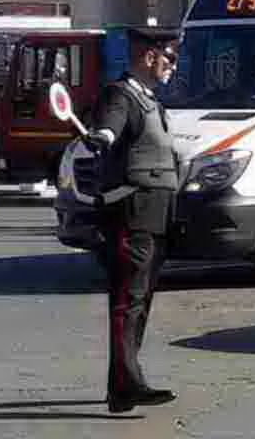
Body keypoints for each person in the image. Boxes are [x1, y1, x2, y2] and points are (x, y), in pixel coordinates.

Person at [78, 28, 181, 413]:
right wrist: (102, 136)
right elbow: (110, 125)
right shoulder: (120, 96)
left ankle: (123, 385)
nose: (173, 65)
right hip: (131, 213)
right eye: (169, 57)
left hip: (154, 215)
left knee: (140, 301)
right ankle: (128, 384)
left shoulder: (150, 100)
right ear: (148, 56)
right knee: (128, 301)